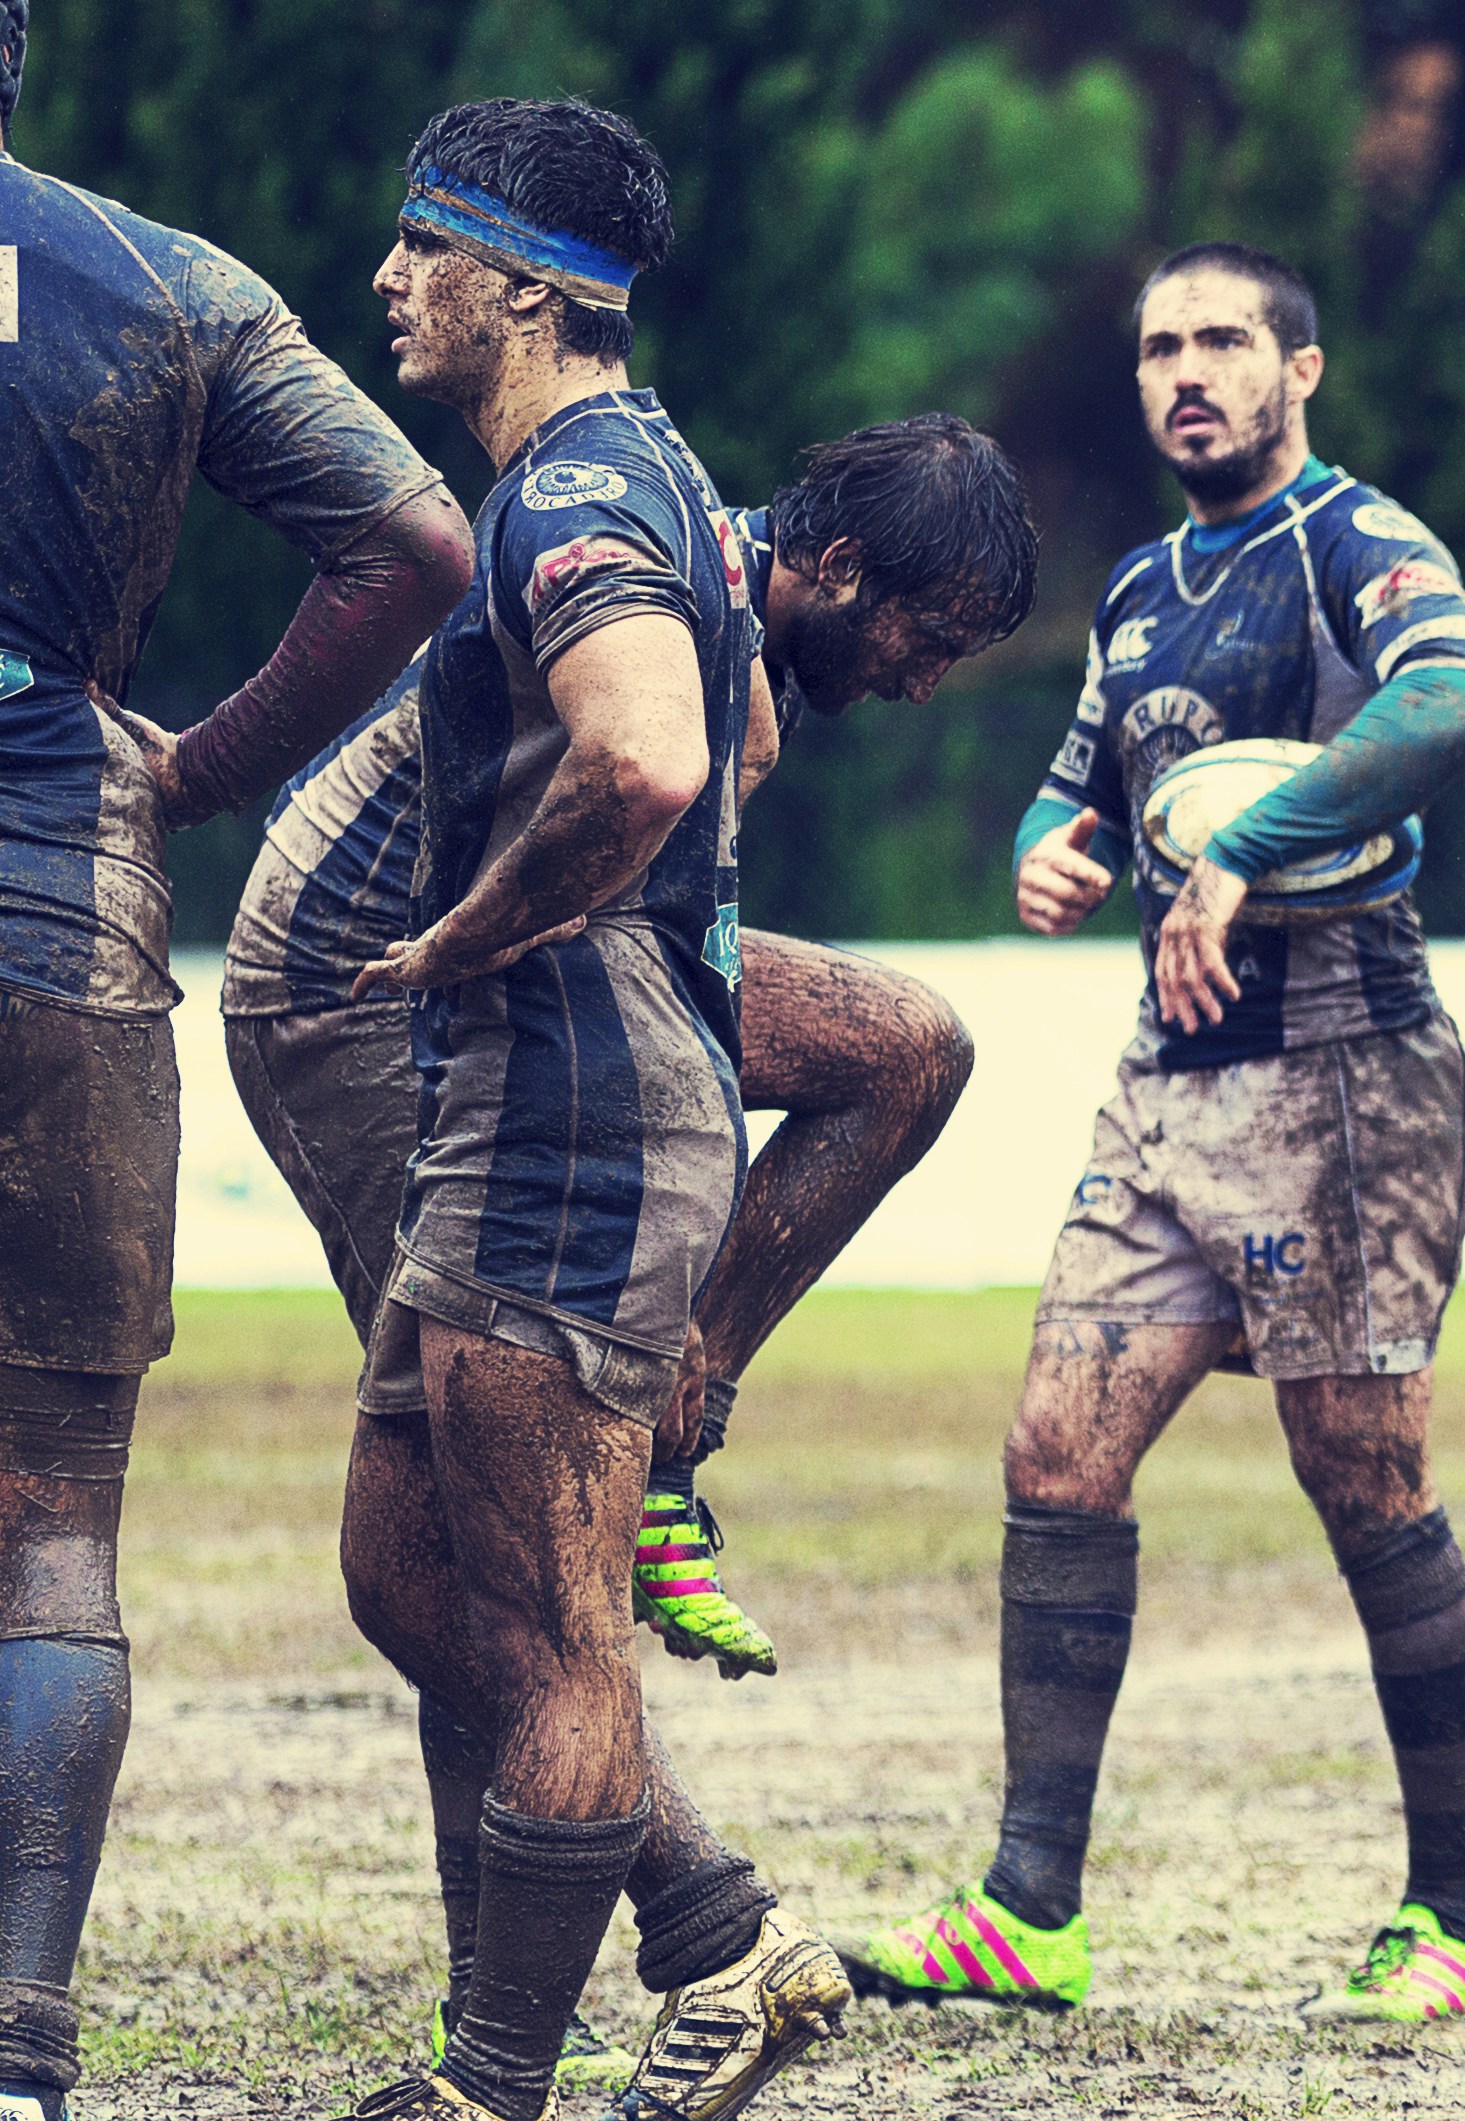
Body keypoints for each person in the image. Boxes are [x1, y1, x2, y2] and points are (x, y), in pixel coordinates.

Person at [237, 100, 1038, 2121]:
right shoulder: (643, 472)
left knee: (555, 1613)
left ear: (518, 285)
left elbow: (663, 754)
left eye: (422, 252)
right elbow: (724, 733)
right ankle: (720, 1935)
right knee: (413, 1570)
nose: (388, 284)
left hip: (565, 1103)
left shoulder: (578, 486)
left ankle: (487, 2095)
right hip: (485, 1066)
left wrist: (483, 927)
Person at [848, 246, 1465, 2029]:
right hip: (1168, 1085)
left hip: (1345, 1076)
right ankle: (1028, 1910)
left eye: (1224, 342)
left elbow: (1460, 700)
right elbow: (1088, 772)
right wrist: (1048, 844)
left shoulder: (1353, 545)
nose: (1187, 373)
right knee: (1056, 1450)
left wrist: (1248, 847)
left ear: (1305, 368)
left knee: (1362, 1478)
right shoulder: (1142, 586)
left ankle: (1449, 1923)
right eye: (1160, 348)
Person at [0, 0, 477, 2121]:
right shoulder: (169, 284)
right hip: (64, 937)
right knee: (51, 1521)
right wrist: (185, 761)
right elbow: (412, 536)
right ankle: (14, 2079)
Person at [226, 427, 1017, 1692]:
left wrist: (679, 1330)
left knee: (908, 1050)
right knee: (479, 1492)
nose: (924, 685)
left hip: (545, 953)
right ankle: (691, 1889)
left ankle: (666, 1442)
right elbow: (590, 896)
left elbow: (648, 951)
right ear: (844, 564)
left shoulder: (735, 623)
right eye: (926, 642)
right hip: (366, 979)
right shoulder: (695, 619)